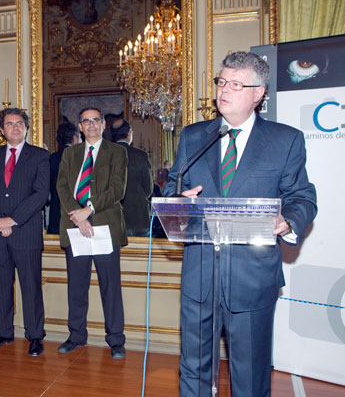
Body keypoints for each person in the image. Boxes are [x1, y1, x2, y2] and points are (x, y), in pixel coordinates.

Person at [163, 51, 317, 397]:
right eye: (221, 82)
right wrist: (178, 199)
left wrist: (288, 220)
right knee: (193, 369)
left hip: (252, 278)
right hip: (200, 275)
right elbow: (173, 187)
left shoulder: (285, 140)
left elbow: (303, 197)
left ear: (258, 93)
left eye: (236, 84)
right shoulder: (194, 136)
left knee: (249, 374)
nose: (224, 90)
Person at [0, 108, 49, 357]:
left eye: (19, 123)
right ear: (1, 129)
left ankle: (35, 336)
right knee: (0, 287)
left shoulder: (39, 155)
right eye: (9, 123)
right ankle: (3, 332)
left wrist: (13, 219)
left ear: (26, 128)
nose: (15, 127)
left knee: (31, 287)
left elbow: (41, 193)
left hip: (25, 233)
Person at [56, 106, 128, 359]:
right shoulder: (70, 154)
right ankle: (76, 335)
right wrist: (78, 216)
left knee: (111, 287)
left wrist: (89, 210)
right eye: (86, 121)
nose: (91, 125)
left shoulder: (117, 152)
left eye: (95, 120)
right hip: (75, 226)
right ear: (80, 126)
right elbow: (62, 187)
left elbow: (117, 189)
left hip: (105, 227)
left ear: (103, 124)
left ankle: (116, 340)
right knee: (76, 286)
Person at [111, 119, 153, 237]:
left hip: (114, 218)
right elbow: (148, 189)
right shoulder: (140, 155)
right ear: (129, 133)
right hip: (138, 217)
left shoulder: (106, 156)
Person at [48, 122, 81, 234]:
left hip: (55, 215)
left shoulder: (51, 159)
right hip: (78, 216)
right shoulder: (81, 159)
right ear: (75, 138)